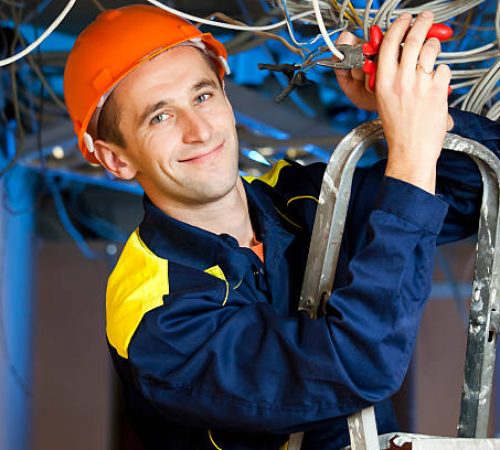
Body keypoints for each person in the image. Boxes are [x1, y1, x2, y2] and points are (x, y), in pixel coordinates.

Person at [63, 4, 499, 450]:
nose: (199, 130)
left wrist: (424, 120)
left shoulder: (299, 198)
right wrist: (408, 155)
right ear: (116, 158)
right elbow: (357, 363)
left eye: (202, 96)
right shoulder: (154, 317)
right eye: (160, 116)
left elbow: (478, 197)